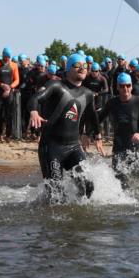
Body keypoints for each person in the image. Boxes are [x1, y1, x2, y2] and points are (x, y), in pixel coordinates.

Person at [28, 54, 105, 198]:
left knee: (88, 186)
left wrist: (96, 135)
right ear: (68, 68)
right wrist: (33, 112)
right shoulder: (56, 85)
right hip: (51, 147)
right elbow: (36, 98)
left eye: (85, 66)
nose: (82, 68)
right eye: (77, 65)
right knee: (55, 193)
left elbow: (92, 115)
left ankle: (79, 215)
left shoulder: (88, 94)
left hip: (73, 147)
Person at [98, 71, 139, 189]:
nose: (125, 89)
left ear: (132, 86)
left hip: (136, 150)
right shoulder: (112, 103)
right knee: (121, 184)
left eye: (128, 86)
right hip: (118, 149)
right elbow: (97, 120)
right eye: (122, 86)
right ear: (117, 87)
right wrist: (93, 134)